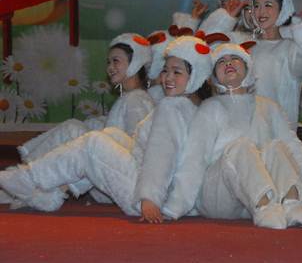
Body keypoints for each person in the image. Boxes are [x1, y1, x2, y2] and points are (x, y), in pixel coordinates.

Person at [0, 35, 212, 220]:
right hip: (151, 189)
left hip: (147, 198)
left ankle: (26, 180)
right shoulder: (187, 107)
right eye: (165, 70)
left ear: (196, 76)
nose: (167, 77)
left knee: (94, 143)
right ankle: (43, 191)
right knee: (109, 135)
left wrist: (151, 199)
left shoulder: (170, 107)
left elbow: (162, 157)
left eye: (177, 72)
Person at [162, 42, 302, 229]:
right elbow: (194, 159)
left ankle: (293, 204)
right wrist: (176, 205)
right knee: (241, 146)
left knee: (275, 147)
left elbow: (294, 149)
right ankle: (264, 206)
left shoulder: (269, 107)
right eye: (221, 61)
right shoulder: (210, 108)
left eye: (235, 58)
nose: (228, 63)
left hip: (249, 202)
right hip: (218, 195)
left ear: (248, 67)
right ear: (213, 75)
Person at [16, 33, 154, 163]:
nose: (109, 67)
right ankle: (30, 165)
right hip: (111, 161)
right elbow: (119, 130)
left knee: (72, 129)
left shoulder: (135, 100)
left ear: (135, 63)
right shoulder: (132, 98)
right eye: (108, 62)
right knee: (76, 126)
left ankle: (29, 168)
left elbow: (137, 147)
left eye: (115, 61)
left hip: (118, 166)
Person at [246, 0, 302, 128]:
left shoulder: (290, 49)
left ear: (282, 9)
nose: (261, 11)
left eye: (268, 5)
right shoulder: (245, 47)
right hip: (246, 131)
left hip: (278, 133)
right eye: (256, 6)